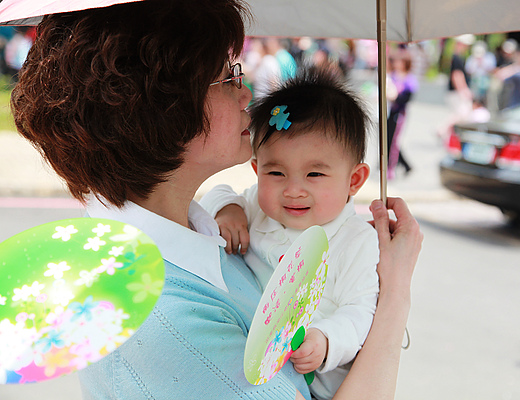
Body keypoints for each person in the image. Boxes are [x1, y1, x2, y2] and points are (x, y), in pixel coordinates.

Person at [10, 0, 423, 399]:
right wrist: (396, 290)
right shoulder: (169, 323)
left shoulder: (194, 232)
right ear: (165, 107)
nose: (246, 94)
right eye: (227, 77)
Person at [200, 65, 377, 400]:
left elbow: (361, 311)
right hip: (256, 369)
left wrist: (325, 340)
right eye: (277, 172)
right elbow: (215, 193)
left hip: (322, 385)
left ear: (354, 180)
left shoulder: (355, 240)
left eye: (314, 175)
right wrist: (228, 209)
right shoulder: (255, 206)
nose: (293, 190)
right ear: (256, 170)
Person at [386, 49, 418, 179]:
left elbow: (406, 97)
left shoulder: (410, 80)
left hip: (399, 113)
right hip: (390, 111)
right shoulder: (392, 76)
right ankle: (405, 165)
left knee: (394, 141)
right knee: (388, 139)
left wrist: (395, 96)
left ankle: (392, 167)